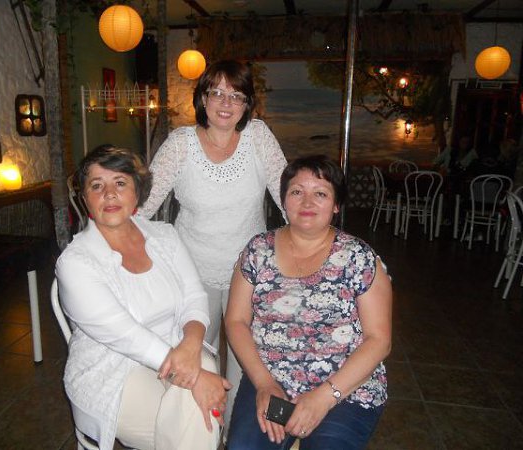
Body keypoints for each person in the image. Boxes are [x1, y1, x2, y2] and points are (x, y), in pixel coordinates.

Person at [138, 59, 287, 425]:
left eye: (236, 95)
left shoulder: (258, 137)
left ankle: (237, 432)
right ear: (202, 98)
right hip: (193, 273)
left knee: (245, 362)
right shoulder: (181, 143)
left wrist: (318, 247)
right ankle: (207, 431)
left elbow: (289, 197)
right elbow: (143, 204)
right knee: (201, 358)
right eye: (216, 92)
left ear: (247, 104)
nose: (225, 102)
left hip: (248, 274)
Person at [56, 145, 231, 450]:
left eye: (120, 182)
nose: (109, 194)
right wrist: (195, 375)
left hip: (179, 348)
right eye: (97, 186)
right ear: (85, 199)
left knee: (196, 403)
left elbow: (194, 296)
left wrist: (191, 344)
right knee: (199, 418)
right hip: (112, 371)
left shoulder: (165, 236)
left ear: (137, 192)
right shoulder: (75, 263)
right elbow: (124, 335)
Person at [225, 156, 393, 450]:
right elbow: (236, 321)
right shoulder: (257, 250)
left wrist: (325, 397)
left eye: (321, 193)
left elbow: (379, 340)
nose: (307, 202)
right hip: (272, 376)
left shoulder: (359, 258)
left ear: (336, 205)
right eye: (297, 191)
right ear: (283, 200)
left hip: (344, 386)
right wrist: (264, 384)